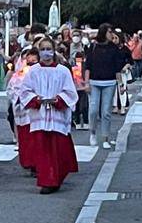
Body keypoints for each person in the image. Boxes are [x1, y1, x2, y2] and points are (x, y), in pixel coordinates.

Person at [19, 38, 80, 194]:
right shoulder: (33, 71)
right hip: (40, 116)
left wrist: (58, 100)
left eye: (48, 48)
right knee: (43, 151)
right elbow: (24, 91)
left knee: (59, 150)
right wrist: (36, 100)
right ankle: (47, 181)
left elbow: (71, 93)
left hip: (57, 116)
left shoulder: (63, 71)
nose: (46, 52)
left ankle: (57, 177)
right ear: (39, 51)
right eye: (43, 49)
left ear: (53, 51)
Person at [84, 23, 127, 149]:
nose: (111, 34)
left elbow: (117, 68)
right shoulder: (93, 47)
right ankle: (92, 133)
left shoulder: (113, 48)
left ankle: (105, 137)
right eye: (109, 32)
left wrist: (120, 84)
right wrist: (86, 82)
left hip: (109, 82)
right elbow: (88, 66)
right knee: (93, 110)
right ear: (103, 33)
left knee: (106, 111)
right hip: (94, 81)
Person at [8, 46, 40, 174]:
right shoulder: (18, 75)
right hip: (23, 110)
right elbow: (11, 89)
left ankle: (37, 163)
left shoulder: (41, 72)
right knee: (26, 138)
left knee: (36, 139)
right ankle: (29, 163)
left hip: (37, 111)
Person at [72, 50, 90, 130]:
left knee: (84, 106)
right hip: (75, 88)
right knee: (77, 106)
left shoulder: (85, 66)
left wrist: (87, 84)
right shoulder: (73, 66)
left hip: (83, 88)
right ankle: (78, 122)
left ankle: (86, 122)